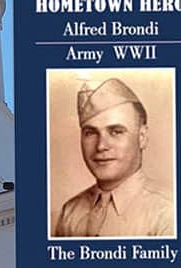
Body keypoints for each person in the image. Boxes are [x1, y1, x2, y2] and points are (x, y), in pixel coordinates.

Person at [53, 78, 174, 238]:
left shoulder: (167, 213)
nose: (101, 146)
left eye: (116, 131)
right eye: (90, 133)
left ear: (142, 137)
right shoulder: (70, 213)